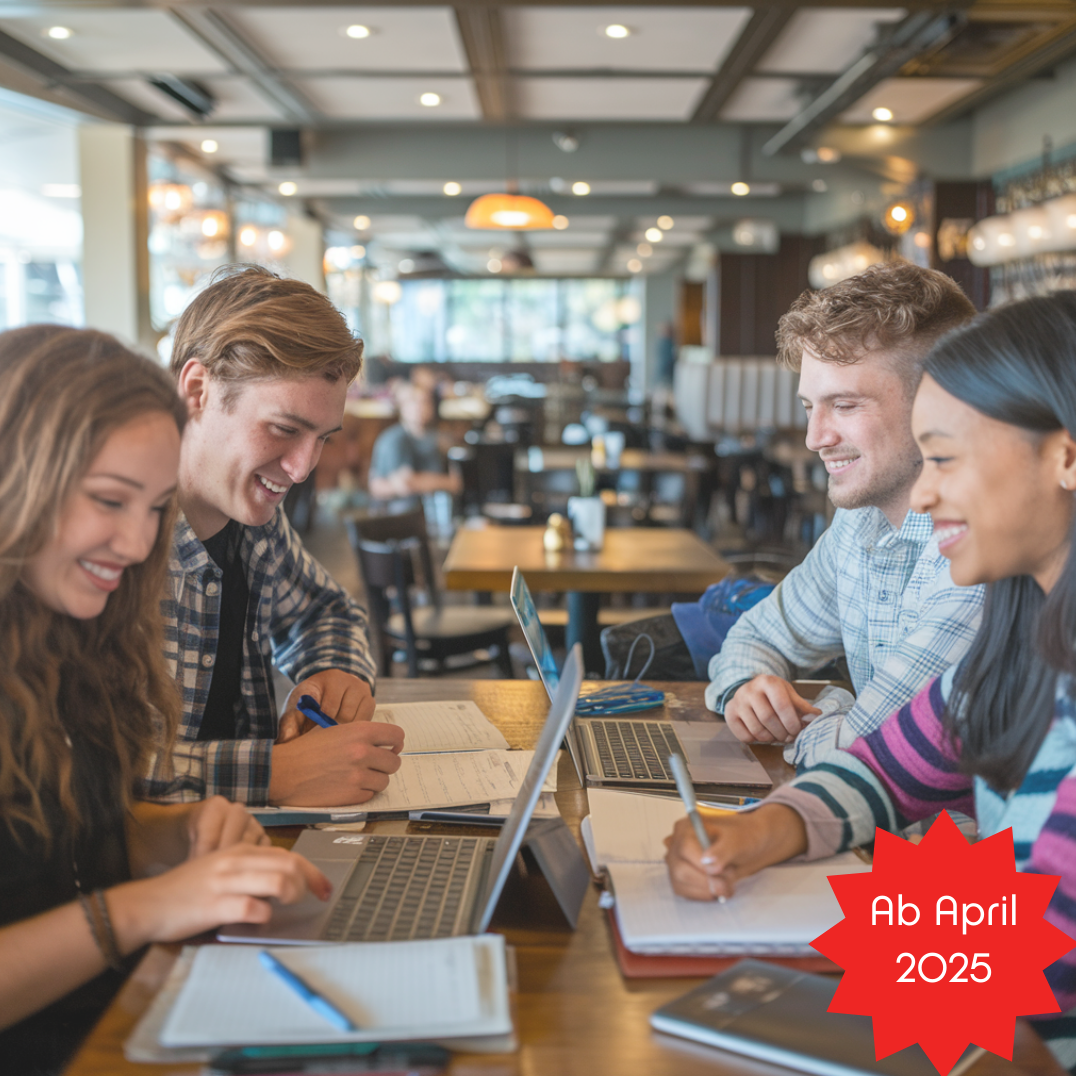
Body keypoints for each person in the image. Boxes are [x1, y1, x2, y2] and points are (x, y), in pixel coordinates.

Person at [665, 292, 1076, 1066]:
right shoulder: (1028, 636)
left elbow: (1034, 979)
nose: (923, 494)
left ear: (1064, 456)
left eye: (947, 457)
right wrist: (765, 829)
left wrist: (796, 976)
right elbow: (885, 768)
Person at [0, 326, 328, 1075]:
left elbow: (62, 847)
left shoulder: (68, 634)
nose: (137, 542)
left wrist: (170, 836)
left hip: (118, 1017)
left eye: (153, 509)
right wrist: (149, 906)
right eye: (109, 501)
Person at [143, 266, 405, 808]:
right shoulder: (112, 541)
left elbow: (323, 612)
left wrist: (333, 669)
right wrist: (271, 773)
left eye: (322, 439)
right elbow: (80, 767)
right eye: (284, 429)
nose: (304, 468)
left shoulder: (249, 519)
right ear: (196, 390)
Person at [708, 263, 985, 769]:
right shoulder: (862, 522)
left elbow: (865, 754)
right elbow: (754, 637)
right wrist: (748, 688)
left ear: (944, 403)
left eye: (845, 405)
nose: (816, 438)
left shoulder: (983, 547)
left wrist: (836, 704)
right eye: (810, 406)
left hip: (970, 846)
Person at [368, 381, 462, 501]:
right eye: (412, 401)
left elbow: (458, 478)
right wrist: (447, 482)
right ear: (402, 406)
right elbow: (406, 483)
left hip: (434, 508)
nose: (419, 407)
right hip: (400, 513)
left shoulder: (436, 437)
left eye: (425, 401)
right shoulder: (394, 439)